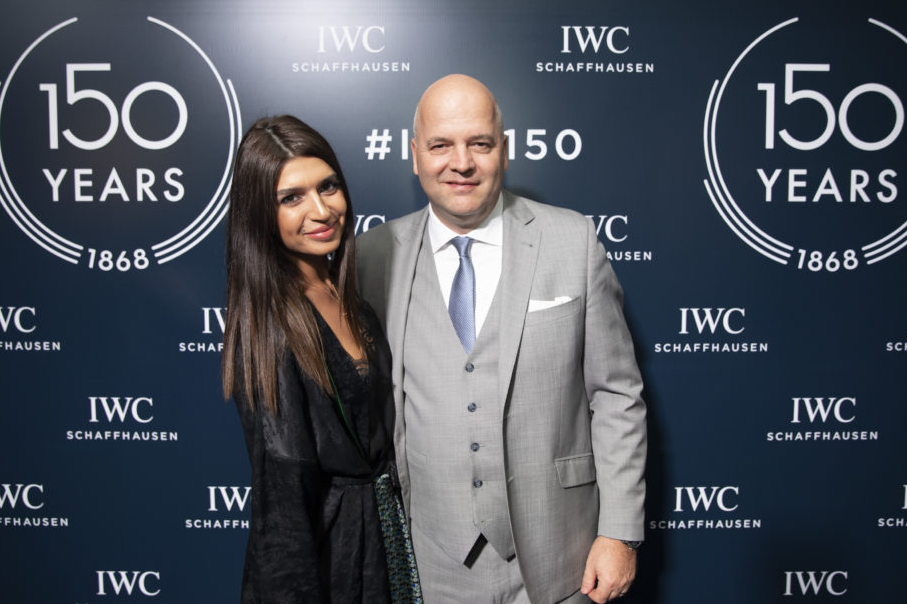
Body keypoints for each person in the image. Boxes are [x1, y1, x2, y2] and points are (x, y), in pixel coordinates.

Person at [356, 75, 647, 603]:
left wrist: (620, 533)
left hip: (563, 558)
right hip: (429, 564)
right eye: (440, 145)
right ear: (415, 155)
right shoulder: (373, 256)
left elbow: (616, 394)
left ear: (504, 151)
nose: (461, 163)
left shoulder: (573, 241)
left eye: (479, 144)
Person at [221, 115, 421, 603]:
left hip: (384, 540)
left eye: (328, 187)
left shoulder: (351, 298)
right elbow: (283, 503)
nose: (321, 210)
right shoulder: (269, 326)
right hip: (332, 561)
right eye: (292, 198)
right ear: (260, 214)